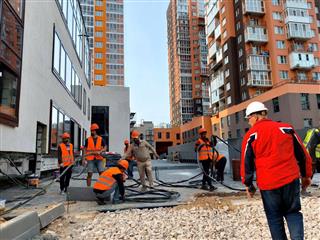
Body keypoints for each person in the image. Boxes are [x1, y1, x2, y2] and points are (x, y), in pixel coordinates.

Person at [240, 101, 312, 240]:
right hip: (290, 180)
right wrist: (306, 175)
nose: (248, 122)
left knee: (274, 218)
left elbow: (245, 163)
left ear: (255, 116)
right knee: (293, 212)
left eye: (248, 118)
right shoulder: (286, 128)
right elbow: (303, 154)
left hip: (269, 184)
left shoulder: (251, 135)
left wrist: (248, 184)